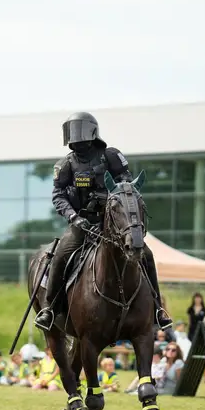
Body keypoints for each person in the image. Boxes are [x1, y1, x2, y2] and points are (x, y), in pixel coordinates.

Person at [34, 112, 171, 332]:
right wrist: (73, 217)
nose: (76, 138)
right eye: (72, 133)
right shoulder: (65, 165)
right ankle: (50, 309)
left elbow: (127, 184)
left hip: (114, 224)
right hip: (82, 224)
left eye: (80, 131)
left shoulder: (111, 156)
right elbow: (58, 195)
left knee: (146, 254)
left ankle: (157, 309)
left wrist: (117, 194)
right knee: (60, 255)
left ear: (92, 132)